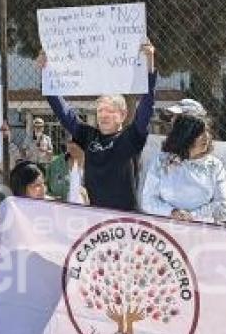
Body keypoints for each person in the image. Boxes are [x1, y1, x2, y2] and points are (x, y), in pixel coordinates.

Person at [37, 41, 157, 211]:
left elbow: (145, 109)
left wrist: (150, 69)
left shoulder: (130, 138)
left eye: (110, 110)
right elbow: (64, 113)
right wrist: (45, 74)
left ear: (122, 115)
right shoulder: (88, 135)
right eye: (100, 110)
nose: (103, 115)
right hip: (95, 215)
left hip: (125, 216)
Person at [140, 113, 226, 224]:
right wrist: (172, 212)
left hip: (202, 228)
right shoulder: (161, 162)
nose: (206, 136)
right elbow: (148, 201)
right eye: (199, 133)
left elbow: (221, 203)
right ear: (184, 136)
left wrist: (192, 216)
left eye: (207, 131)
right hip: (165, 228)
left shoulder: (215, 165)